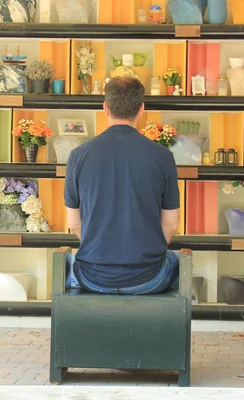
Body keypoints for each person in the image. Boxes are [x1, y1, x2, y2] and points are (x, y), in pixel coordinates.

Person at [64, 77, 180, 295]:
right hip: (149, 278)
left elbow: (74, 224)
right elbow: (171, 225)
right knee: (175, 259)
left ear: (105, 108)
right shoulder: (163, 156)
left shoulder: (78, 156)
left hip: (92, 277)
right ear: (141, 109)